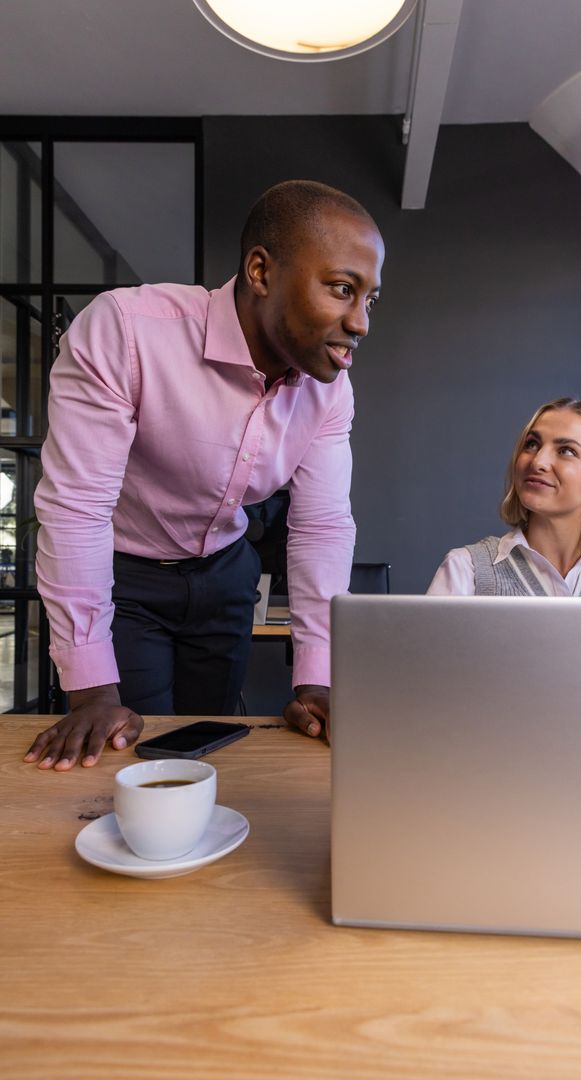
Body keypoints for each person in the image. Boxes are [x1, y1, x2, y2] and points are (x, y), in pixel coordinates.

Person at [25, 180, 385, 770]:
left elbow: (321, 525)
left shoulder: (331, 389)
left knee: (210, 749)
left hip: (224, 576)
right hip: (125, 578)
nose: (361, 322)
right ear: (261, 271)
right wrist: (91, 689)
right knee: (132, 758)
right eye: (343, 289)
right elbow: (77, 508)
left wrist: (316, 678)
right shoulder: (127, 331)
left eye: (370, 299)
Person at [427, 397, 581, 598]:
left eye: (566, 451)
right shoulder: (465, 570)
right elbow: (427, 660)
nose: (538, 461)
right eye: (532, 444)